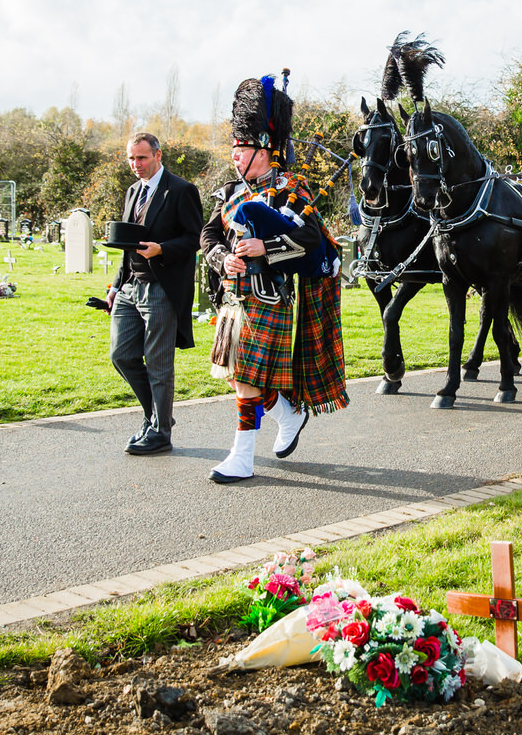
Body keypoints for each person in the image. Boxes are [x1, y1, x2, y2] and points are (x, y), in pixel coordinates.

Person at [201, 76, 349, 482]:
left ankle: (242, 457)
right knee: (236, 373)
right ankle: (288, 413)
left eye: (242, 149)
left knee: (246, 377)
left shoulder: (290, 190)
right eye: (233, 149)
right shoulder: (231, 191)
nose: (235, 156)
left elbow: (311, 241)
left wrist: (266, 249)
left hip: (271, 298)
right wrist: (223, 258)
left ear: (264, 150)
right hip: (234, 297)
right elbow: (209, 235)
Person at [110, 132, 205, 455]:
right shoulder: (133, 191)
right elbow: (126, 243)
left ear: (158, 155)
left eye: (142, 158)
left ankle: (160, 432)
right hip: (129, 287)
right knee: (121, 356)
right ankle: (156, 416)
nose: (136, 165)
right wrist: (115, 285)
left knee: (159, 364)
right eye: (131, 159)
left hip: (161, 289)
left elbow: (195, 238)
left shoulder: (181, 191)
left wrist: (162, 249)